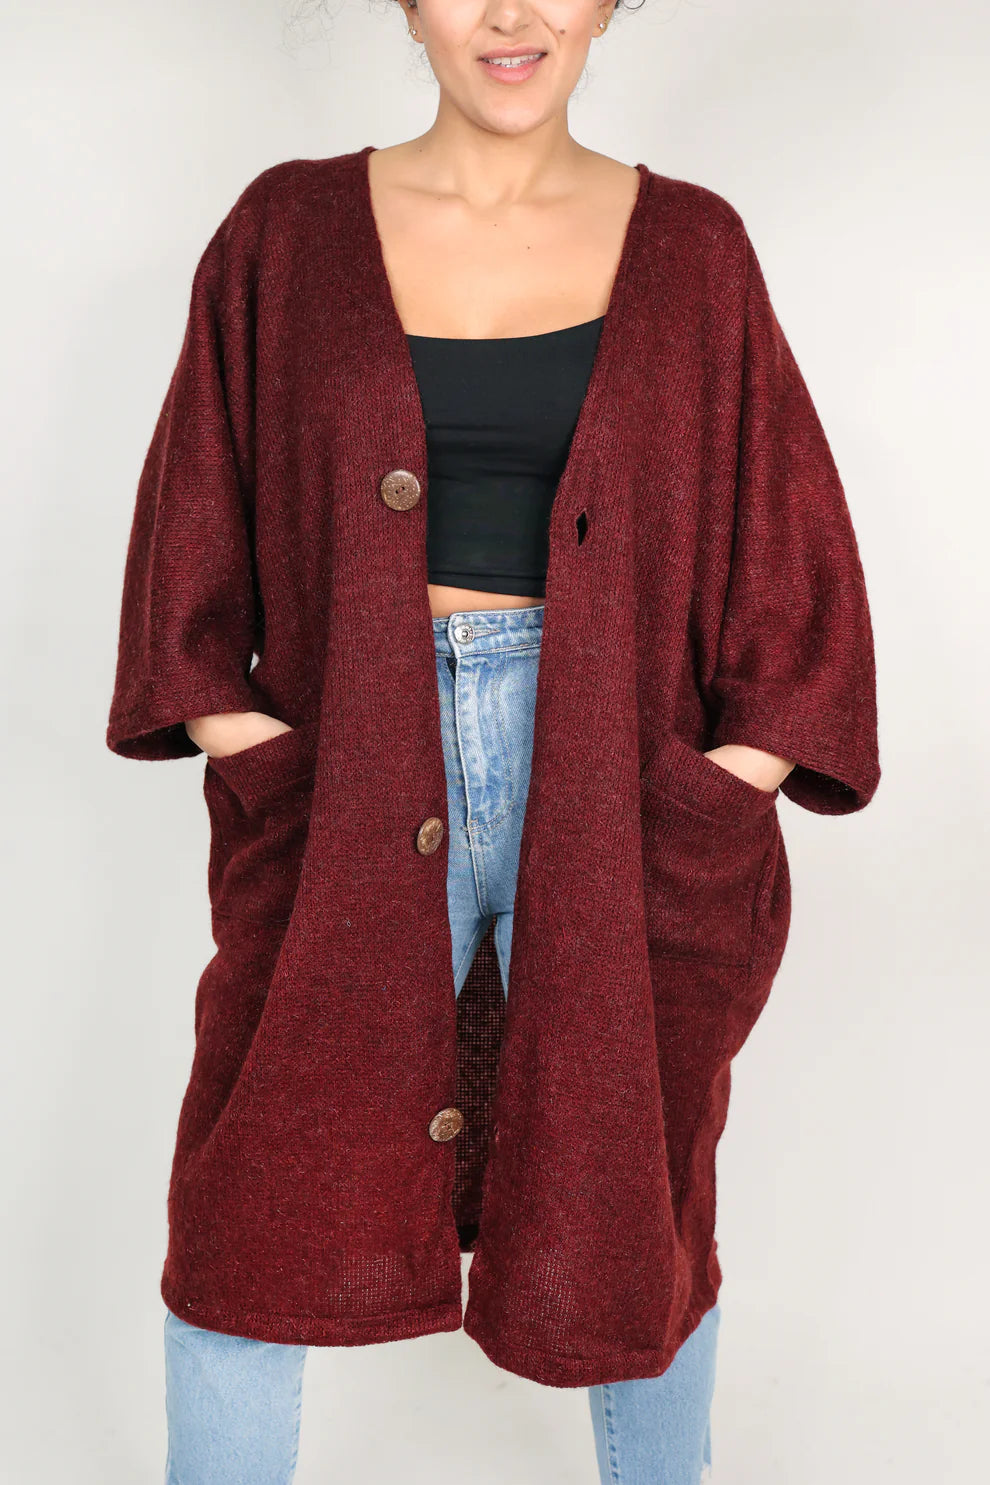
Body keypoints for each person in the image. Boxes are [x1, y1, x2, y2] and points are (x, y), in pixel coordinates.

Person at [106, 4, 880, 1482]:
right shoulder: (286, 233)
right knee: (247, 1216)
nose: (511, 15)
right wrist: (252, 744)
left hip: (619, 784)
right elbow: (191, 526)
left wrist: (724, 790)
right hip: (345, 772)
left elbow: (795, 565)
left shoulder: (695, 251)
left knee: (635, 1213)